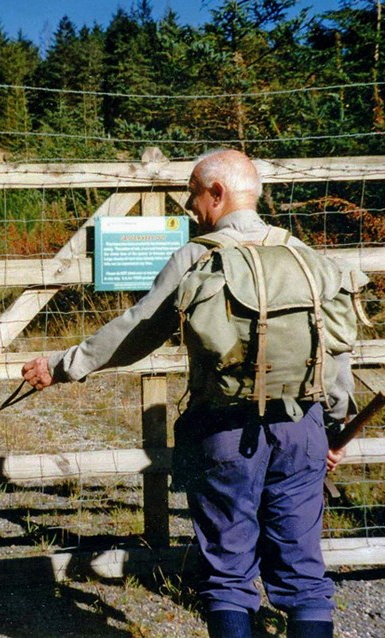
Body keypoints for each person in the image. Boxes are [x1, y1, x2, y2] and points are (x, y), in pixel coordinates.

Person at [22, 149, 353, 638]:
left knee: (228, 573)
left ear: (217, 193)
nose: (190, 208)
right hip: (301, 429)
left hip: (223, 430)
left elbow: (135, 331)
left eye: (193, 195)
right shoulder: (305, 257)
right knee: (304, 573)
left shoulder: (198, 256)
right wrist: (331, 431)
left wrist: (62, 365)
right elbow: (337, 352)